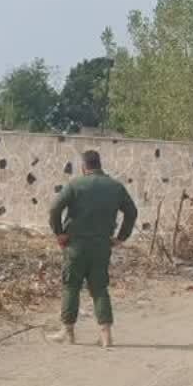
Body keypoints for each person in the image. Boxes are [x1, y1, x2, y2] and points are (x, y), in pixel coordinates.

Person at [47, 148, 138, 348]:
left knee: (71, 286)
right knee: (99, 287)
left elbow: (55, 208)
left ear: (83, 166)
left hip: (76, 245)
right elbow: (131, 212)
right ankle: (106, 335)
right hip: (102, 246)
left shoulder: (75, 184)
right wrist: (121, 237)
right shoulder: (115, 187)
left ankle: (68, 332)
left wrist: (59, 232)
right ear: (99, 164)